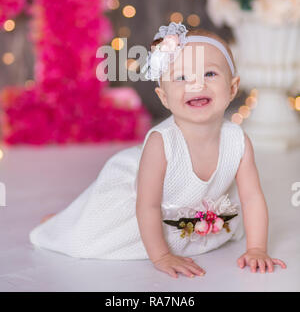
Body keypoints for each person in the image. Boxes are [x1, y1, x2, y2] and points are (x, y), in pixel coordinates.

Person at [29, 22, 287, 278]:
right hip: (136, 199)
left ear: (232, 88)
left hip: (189, 210)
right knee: (84, 236)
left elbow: (252, 197)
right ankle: (60, 222)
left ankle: (67, 217)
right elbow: (148, 205)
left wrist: (256, 248)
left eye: (209, 74)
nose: (196, 85)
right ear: (164, 97)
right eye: (181, 77)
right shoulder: (160, 143)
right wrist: (161, 255)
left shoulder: (238, 140)